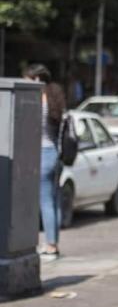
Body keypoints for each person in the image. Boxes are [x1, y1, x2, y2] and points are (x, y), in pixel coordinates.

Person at [24, 64, 66, 262]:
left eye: (28, 79)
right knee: (53, 201)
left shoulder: (37, 99)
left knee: (45, 202)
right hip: (55, 153)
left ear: (37, 79)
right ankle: (53, 243)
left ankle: (49, 246)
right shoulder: (54, 97)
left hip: (41, 152)